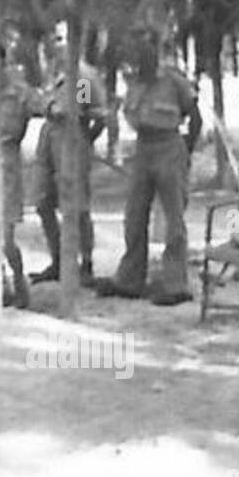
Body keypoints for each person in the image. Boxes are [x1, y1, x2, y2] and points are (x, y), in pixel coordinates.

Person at [96, 22, 203, 305]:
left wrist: (185, 152)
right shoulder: (135, 84)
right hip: (143, 149)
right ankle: (130, 278)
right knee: (134, 215)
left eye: (144, 53)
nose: (138, 60)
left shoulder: (173, 80)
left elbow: (196, 117)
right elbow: (127, 114)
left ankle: (175, 284)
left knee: (174, 220)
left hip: (170, 146)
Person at [32, 27, 107, 287]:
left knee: (76, 206)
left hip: (71, 141)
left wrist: (84, 141)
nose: (59, 45)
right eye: (55, 40)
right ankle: (58, 260)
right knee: (43, 202)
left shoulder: (83, 77)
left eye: (64, 39)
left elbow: (94, 114)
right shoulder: (54, 73)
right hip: (48, 139)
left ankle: (85, 262)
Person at [0, 42, 46, 309]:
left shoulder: (20, 93)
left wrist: (83, 107)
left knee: (4, 236)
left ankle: (17, 279)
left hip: (5, 167)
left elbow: (61, 104)